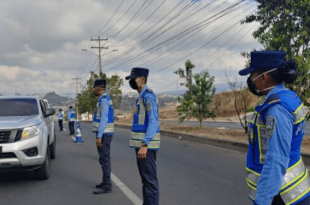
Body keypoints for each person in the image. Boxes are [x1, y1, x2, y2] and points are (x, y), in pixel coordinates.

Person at [239, 51, 310, 205]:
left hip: (282, 195)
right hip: (290, 191)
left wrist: (263, 200)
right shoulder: (288, 96)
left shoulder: (277, 108)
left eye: (253, 74)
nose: (251, 79)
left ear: (264, 77)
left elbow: (276, 158)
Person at [125, 67, 160, 205]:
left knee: (150, 181)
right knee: (146, 180)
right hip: (141, 146)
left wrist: (145, 144)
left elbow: (153, 121)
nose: (131, 82)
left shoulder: (148, 96)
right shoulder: (141, 97)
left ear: (143, 79)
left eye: (134, 79)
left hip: (146, 147)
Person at [92, 79, 114, 194]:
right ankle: (105, 181)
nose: (93, 90)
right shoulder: (103, 99)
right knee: (103, 158)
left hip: (104, 134)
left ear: (99, 88)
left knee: (105, 159)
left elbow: (104, 118)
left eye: (94, 88)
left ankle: (107, 184)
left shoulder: (104, 101)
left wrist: (99, 136)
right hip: (104, 134)